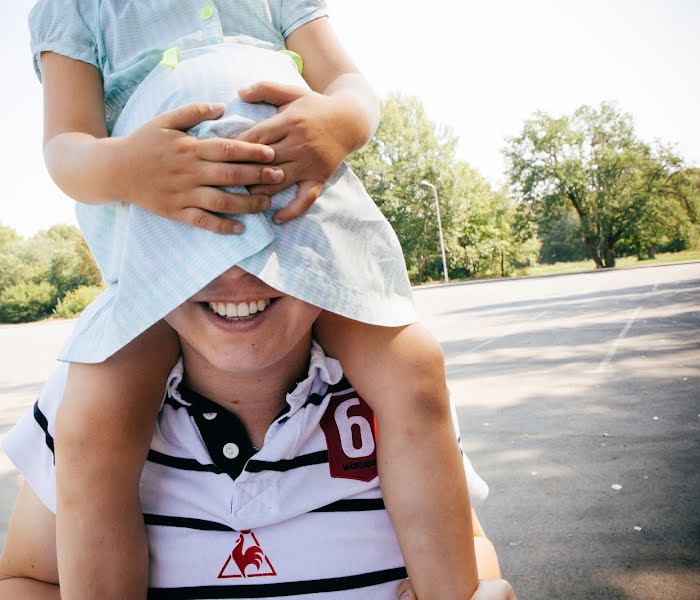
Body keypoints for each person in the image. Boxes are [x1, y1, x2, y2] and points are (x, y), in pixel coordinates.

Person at [30, 1, 477, 597]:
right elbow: (66, 147)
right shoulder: (76, 7)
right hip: (167, 226)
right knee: (91, 422)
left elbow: (349, 82)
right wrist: (127, 166)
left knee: (414, 370)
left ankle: (455, 593)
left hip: (303, 215)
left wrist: (343, 119)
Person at [0, 267, 515, 599]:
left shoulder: (393, 389)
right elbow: (27, 581)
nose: (235, 270)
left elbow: (470, 545)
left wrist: (478, 589)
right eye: (191, 237)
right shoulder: (85, 404)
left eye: (270, 223)